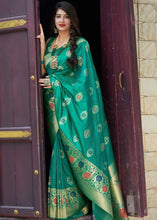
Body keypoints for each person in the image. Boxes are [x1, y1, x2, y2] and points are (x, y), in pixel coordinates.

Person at [37, 1, 128, 220]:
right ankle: (67, 207)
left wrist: (56, 84)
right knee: (58, 153)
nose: (61, 20)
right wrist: (41, 46)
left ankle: (87, 205)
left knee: (73, 152)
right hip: (52, 109)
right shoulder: (50, 43)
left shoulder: (81, 45)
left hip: (73, 110)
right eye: (58, 16)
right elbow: (41, 71)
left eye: (65, 16)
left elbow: (84, 82)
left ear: (72, 20)